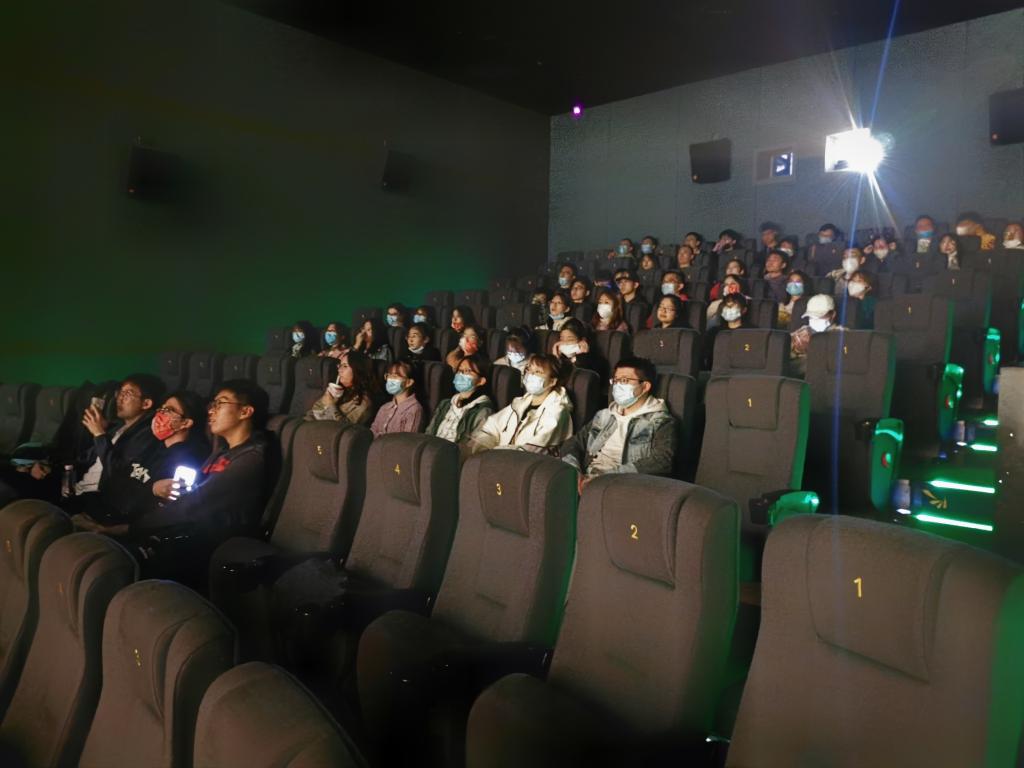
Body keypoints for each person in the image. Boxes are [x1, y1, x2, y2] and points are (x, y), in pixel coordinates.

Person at [131, 380, 274, 585]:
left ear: (245, 411)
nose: (211, 411)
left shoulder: (251, 458)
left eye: (220, 403)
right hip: (194, 531)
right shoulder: (223, 449)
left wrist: (131, 527)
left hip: (215, 544)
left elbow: (196, 505)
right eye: (212, 404)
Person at [75, 390, 210, 535]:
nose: (160, 414)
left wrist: (148, 490)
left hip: (122, 527)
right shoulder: (153, 446)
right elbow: (116, 476)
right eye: (161, 408)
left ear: (186, 422)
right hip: (103, 509)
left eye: (169, 410)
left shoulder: (185, 461)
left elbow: (159, 512)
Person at [560, 357, 675, 489]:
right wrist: (574, 472)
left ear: (645, 386)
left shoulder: (660, 421)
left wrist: (602, 479)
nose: (617, 386)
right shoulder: (604, 415)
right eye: (615, 380)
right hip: (587, 475)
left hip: (622, 484)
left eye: (624, 380)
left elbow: (662, 461)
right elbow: (573, 443)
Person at [67, 374, 165, 521]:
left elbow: (118, 472)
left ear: (146, 404)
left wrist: (99, 434)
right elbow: (84, 459)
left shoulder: (146, 435)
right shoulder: (118, 427)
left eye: (128, 394)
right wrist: (50, 466)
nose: (119, 398)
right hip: (78, 489)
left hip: (98, 498)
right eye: (120, 392)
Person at [465, 354, 573, 456]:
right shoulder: (520, 402)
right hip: (500, 459)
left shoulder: (558, 411)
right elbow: (492, 428)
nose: (530, 375)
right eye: (529, 370)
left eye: (538, 372)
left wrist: (495, 453)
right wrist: (482, 448)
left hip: (528, 465)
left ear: (552, 381)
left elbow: (533, 449)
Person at [426, 355, 495, 445]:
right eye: (459, 370)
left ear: (481, 381)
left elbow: (474, 446)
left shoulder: (483, 411)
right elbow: (429, 433)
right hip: (431, 449)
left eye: (467, 371)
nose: (461, 374)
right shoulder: (445, 404)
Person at [307, 350, 379, 425]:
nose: (339, 370)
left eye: (345, 366)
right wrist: (325, 398)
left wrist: (330, 405)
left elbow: (345, 429)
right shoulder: (341, 390)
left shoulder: (364, 403)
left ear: (358, 370)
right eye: (340, 366)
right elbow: (314, 411)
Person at [789, 294, 845, 376]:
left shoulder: (841, 334)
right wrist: (796, 348)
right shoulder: (802, 331)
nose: (815, 320)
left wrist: (812, 348)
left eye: (819, 316)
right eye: (811, 317)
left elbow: (844, 356)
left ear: (832, 314)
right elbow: (782, 353)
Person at [370, 362, 425, 436]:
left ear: (409, 382)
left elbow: (407, 440)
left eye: (395, 376)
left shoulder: (414, 410)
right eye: (389, 375)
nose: (390, 379)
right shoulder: (384, 408)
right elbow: (371, 433)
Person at [702, 294, 753, 370]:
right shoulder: (714, 332)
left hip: (742, 371)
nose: (729, 310)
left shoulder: (752, 332)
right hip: (717, 371)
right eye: (726, 306)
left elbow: (749, 351)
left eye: (732, 306)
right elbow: (706, 355)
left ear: (744, 310)